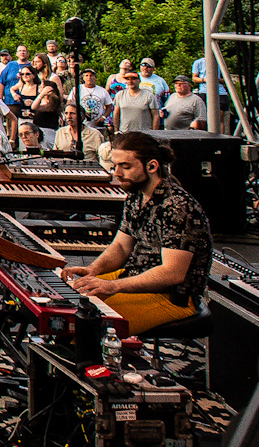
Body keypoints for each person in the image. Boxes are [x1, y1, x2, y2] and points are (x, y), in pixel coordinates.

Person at [61, 131, 213, 335]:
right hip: (135, 276)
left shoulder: (178, 207)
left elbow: (172, 273)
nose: (117, 173)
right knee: (66, 303)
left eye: (126, 166)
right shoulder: (136, 195)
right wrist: (93, 270)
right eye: (115, 165)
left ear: (152, 166)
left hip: (172, 296)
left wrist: (113, 286)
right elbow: (121, 246)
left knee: (85, 326)